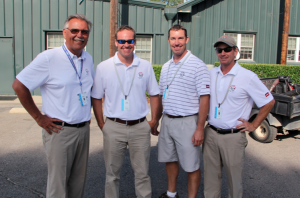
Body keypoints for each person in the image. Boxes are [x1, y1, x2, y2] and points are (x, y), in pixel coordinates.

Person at [12, 14, 94, 198]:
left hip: (83, 130)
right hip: (60, 132)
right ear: (65, 33)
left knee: (77, 184)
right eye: (74, 30)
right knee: (58, 187)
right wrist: (39, 118)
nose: (79, 35)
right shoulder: (49, 58)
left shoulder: (87, 58)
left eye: (84, 31)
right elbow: (19, 85)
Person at [91, 25, 160, 198]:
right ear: (116, 42)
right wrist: (101, 123)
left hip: (139, 126)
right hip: (114, 126)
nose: (126, 44)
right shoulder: (104, 67)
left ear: (135, 42)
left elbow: (154, 94)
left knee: (142, 173)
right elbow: (96, 97)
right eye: (122, 41)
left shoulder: (144, 66)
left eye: (130, 41)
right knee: (111, 175)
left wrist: (153, 121)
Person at [203, 35, 275, 198]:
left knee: (234, 183)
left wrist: (254, 125)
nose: (223, 53)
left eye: (227, 49)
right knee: (210, 181)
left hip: (233, 137)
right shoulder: (211, 73)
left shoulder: (247, 76)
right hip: (211, 134)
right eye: (219, 50)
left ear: (235, 51)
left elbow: (269, 101)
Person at [157, 24, 210, 198]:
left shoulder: (197, 65)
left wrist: (200, 128)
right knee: (170, 159)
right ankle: (171, 193)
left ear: (186, 40)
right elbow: (162, 96)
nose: (177, 42)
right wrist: (156, 120)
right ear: (168, 40)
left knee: (191, 165)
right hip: (167, 120)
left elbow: (205, 98)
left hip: (188, 122)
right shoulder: (166, 67)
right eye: (173, 38)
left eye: (180, 38)